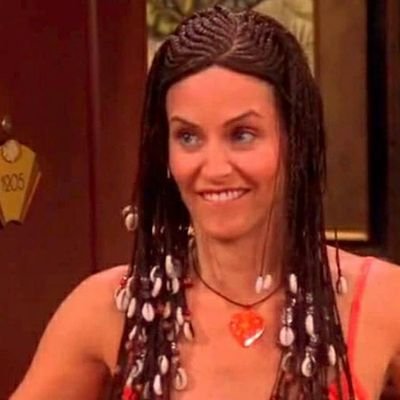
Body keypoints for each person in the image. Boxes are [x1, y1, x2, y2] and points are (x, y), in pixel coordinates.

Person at [11, 5, 400, 400]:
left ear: (296, 140)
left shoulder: (382, 301)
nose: (213, 168)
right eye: (188, 137)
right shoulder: (106, 310)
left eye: (242, 134)